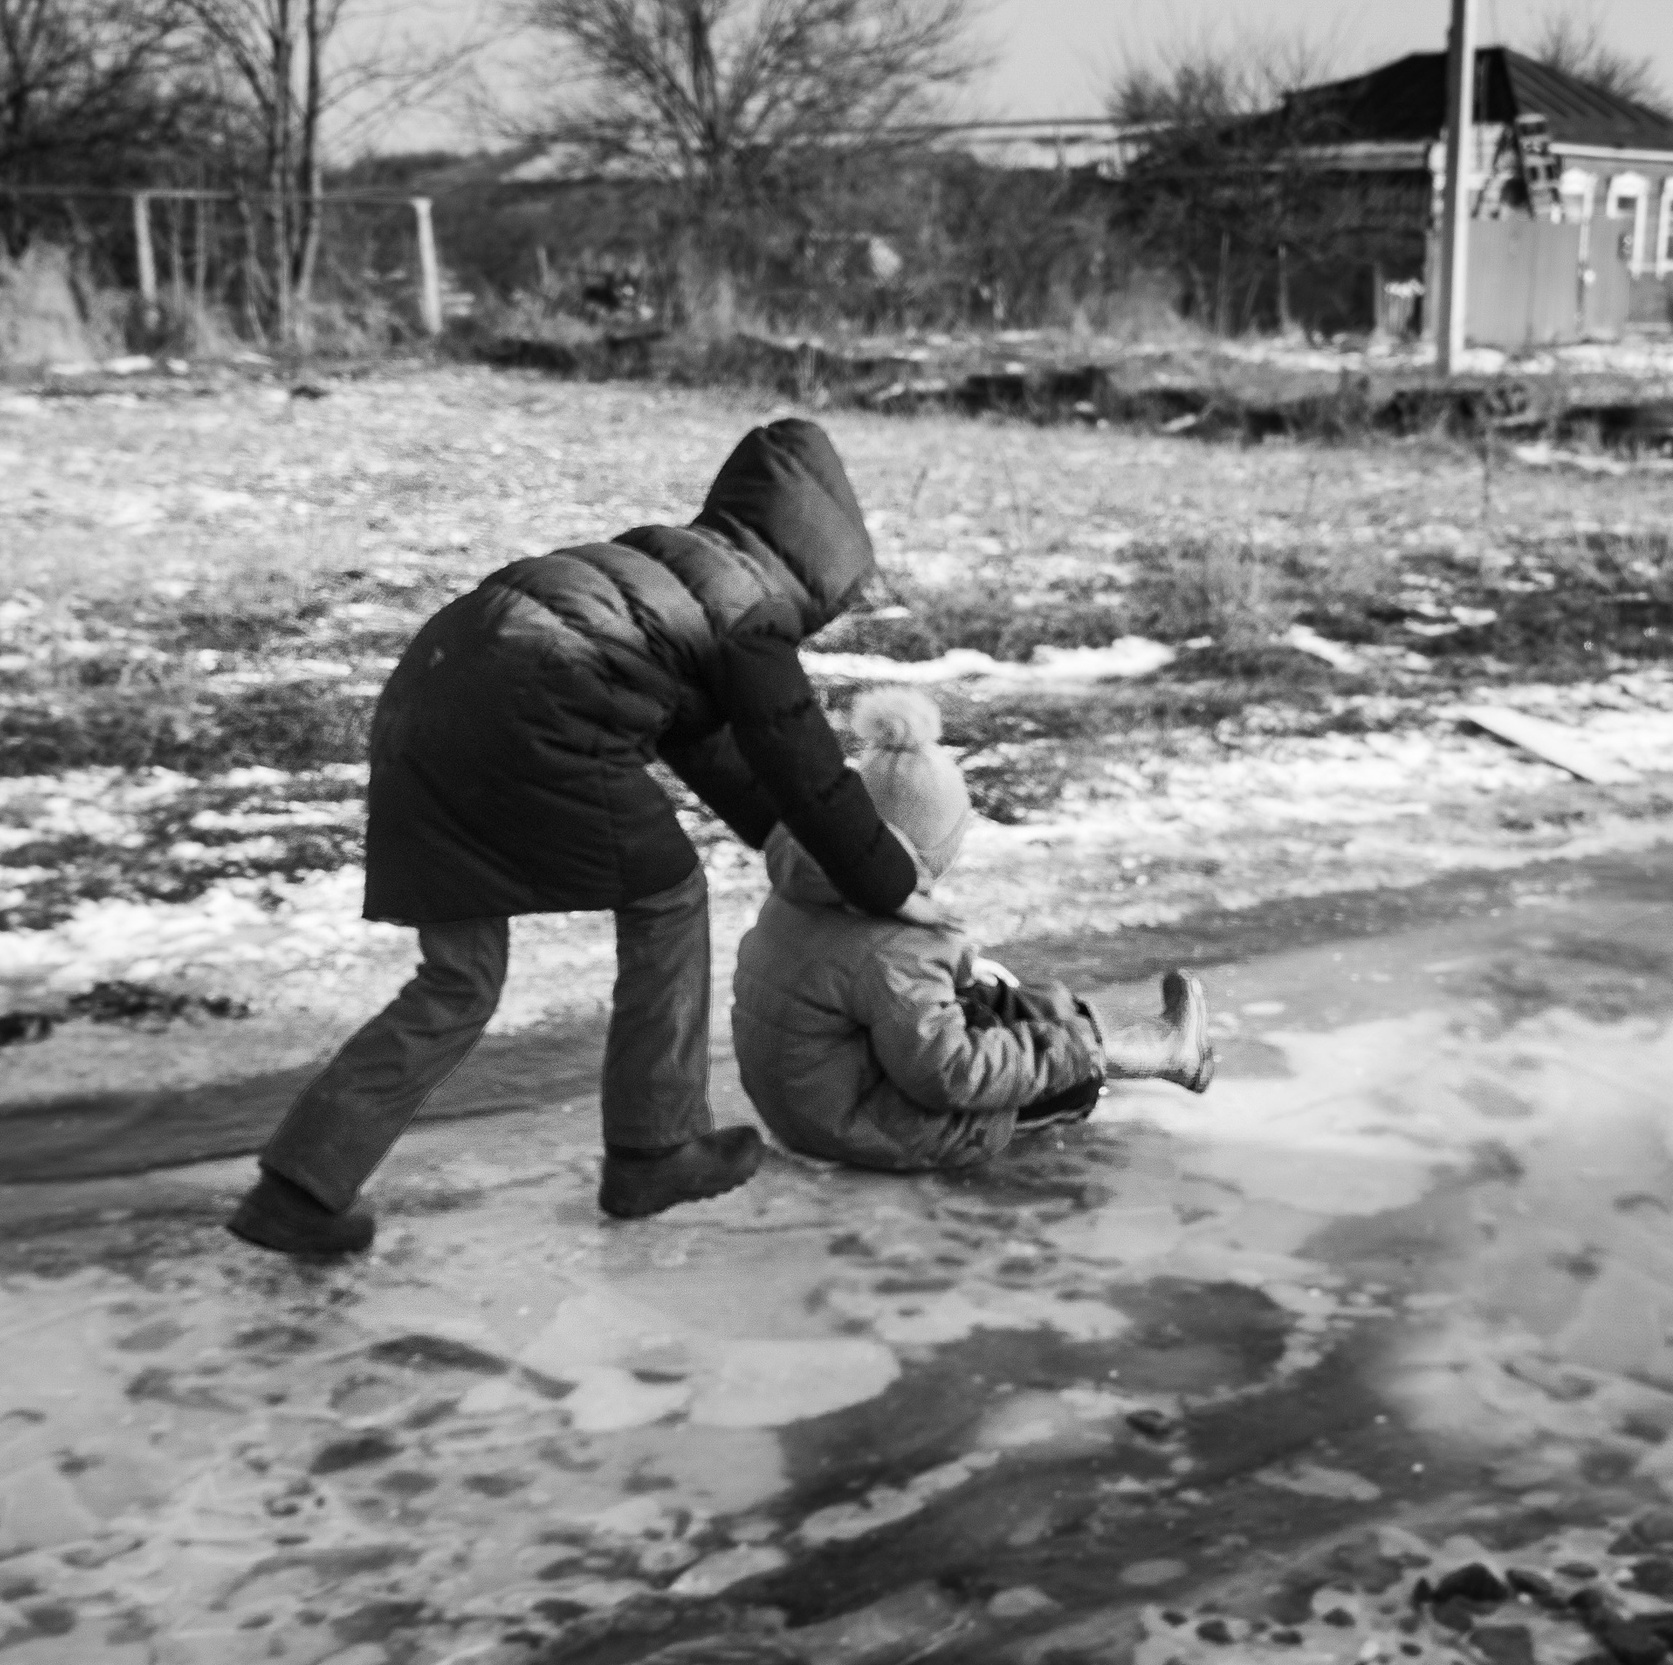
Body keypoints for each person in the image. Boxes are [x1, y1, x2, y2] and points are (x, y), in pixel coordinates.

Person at [227, 419, 948, 1257]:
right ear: (818, 558)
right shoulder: (746, 605)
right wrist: (886, 882)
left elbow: (719, 754)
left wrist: (793, 849)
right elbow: (799, 755)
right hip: (535, 702)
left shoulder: (659, 575)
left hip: (423, 705)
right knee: (668, 900)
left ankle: (301, 1185)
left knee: (458, 979)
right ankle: (656, 1147)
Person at [732, 687, 1215, 1175]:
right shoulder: (897, 946)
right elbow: (951, 1074)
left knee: (994, 999)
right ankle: (1146, 1054)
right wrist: (1076, 1050)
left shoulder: (807, 883)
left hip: (804, 1102)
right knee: (1067, 1079)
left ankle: (1131, 1042)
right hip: (857, 1130)